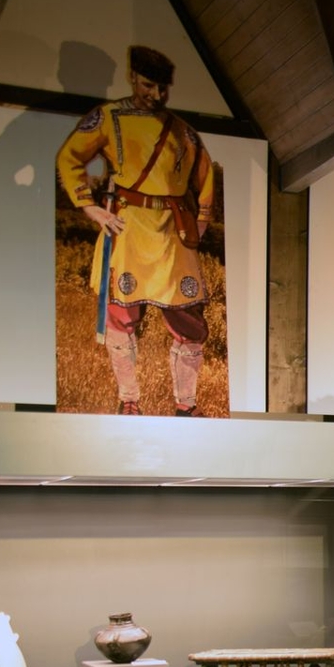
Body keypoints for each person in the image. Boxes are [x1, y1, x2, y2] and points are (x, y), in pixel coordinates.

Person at [56, 46, 215, 416]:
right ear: (132, 78)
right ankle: (129, 400)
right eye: (148, 85)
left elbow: (204, 176)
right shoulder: (107, 118)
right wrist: (90, 207)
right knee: (121, 316)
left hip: (173, 232)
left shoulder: (182, 130)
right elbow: (70, 157)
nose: (156, 95)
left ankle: (186, 406)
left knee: (189, 320)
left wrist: (200, 221)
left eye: (162, 88)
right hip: (129, 227)